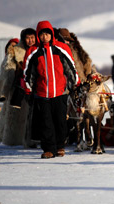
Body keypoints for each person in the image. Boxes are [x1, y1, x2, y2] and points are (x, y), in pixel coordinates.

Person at [23, 21, 79, 158]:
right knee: (46, 123)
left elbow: (70, 67)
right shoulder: (33, 51)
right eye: (41, 34)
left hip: (60, 91)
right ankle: (49, 149)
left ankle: (60, 146)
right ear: (38, 36)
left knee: (60, 121)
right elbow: (28, 72)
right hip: (42, 93)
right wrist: (28, 88)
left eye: (47, 34)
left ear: (51, 34)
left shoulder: (61, 48)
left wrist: (75, 82)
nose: (44, 37)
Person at [0, 28, 37, 147]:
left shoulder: (40, 49)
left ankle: (32, 140)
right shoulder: (15, 51)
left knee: (33, 116)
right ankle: (14, 140)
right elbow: (7, 72)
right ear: (23, 39)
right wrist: (3, 91)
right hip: (19, 88)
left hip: (37, 88)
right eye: (28, 38)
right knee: (16, 117)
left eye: (32, 38)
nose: (30, 41)